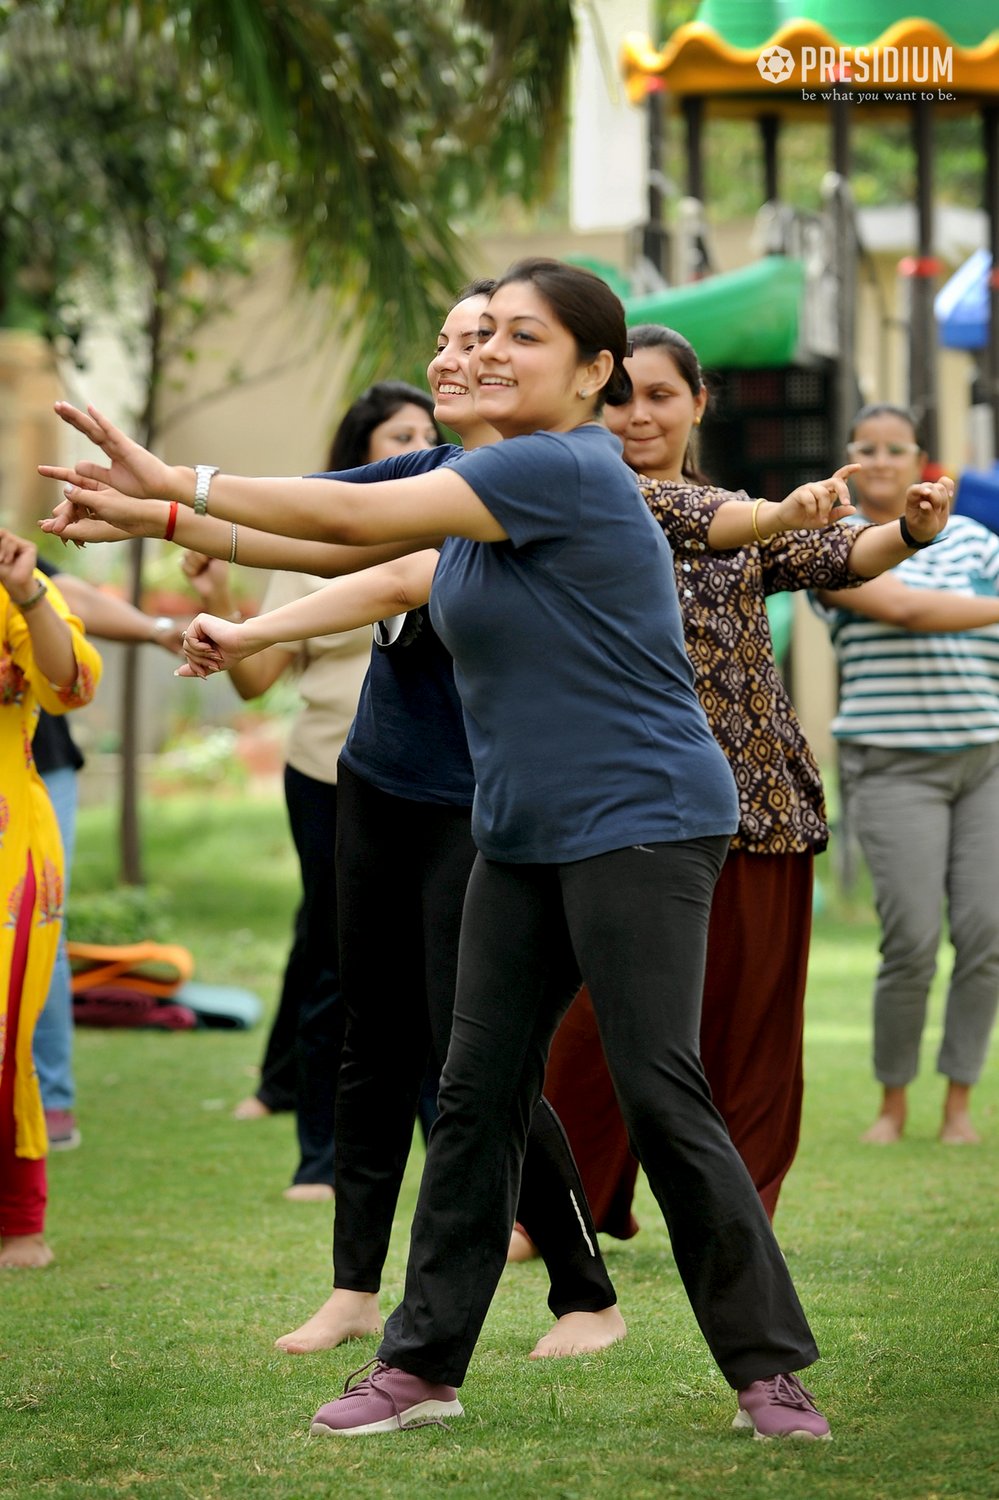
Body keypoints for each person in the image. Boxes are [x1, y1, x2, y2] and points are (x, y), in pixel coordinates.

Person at [41, 260, 946, 1438]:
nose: (485, 351)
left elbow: (347, 515)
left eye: (522, 335)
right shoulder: (477, 488)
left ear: (591, 375)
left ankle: (767, 1370)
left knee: (658, 1088)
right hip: (521, 828)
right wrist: (164, 522)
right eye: (477, 332)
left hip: (644, 815)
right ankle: (421, 1367)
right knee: (474, 1092)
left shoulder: (565, 465)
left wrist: (177, 477)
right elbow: (373, 562)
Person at [41, 284, 628, 1366]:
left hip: (478, 800)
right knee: (370, 1036)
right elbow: (310, 524)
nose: (458, 360)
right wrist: (154, 517)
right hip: (379, 780)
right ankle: (353, 1286)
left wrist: (174, 491)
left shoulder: (528, 483)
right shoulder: (424, 473)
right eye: (449, 342)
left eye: (486, 341)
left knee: (473, 1055)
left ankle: (584, 1289)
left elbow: (358, 544)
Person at [536, 327, 955, 1231]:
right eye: (620, 397)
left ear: (698, 402)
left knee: (755, 1023)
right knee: (597, 1018)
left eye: (659, 395)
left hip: (756, 800)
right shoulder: (567, 502)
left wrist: (908, 531)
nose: (637, 414)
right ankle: (550, 1211)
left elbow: (832, 557)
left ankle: (740, 1210)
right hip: (625, 805)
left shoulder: (738, 515)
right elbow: (722, 524)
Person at [215, 380, 443, 1202]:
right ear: (360, 454)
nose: (417, 443)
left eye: (427, 431)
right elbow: (257, 680)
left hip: (438, 775)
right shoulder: (312, 543)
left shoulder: (461, 526)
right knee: (336, 963)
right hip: (328, 773)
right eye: (397, 435)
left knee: (436, 971)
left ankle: (441, 1153)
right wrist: (217, 598)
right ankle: (320, 1154)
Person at [814, 403, 999, 1146]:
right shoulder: (831, 545)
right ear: (850, 458)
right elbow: (903, 608)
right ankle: (892, 1103)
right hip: (891, 765)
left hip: (984, 759)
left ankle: (957, 1103)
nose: (883, 460)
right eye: (868, 448)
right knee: (913, 940)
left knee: (986, 935)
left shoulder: (979, 543)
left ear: (919, 456)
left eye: (897, 448)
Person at [30, 564, 185, 1151]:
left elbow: (62, 593)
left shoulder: (14, 561)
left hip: (37, 765)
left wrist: (156, 627)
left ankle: (52, 1099)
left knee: (39, 922)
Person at [0, 531, 101, 1268]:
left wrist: (29, 593)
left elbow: (68, 683)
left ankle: (18, 1221)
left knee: (5, 1044)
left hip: (10, 849)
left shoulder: (15, 587)